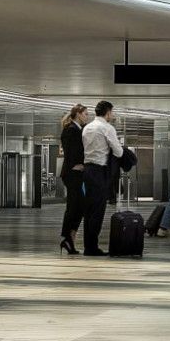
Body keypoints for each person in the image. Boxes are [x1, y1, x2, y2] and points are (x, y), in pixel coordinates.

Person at [80, 100, 127, 255]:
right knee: (98, 210)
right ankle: (92, 248)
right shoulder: (107, 128)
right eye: (111, 113)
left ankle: (88, 245)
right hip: (100, 172)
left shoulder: (86, 128)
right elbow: (119, 152)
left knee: (89, 210)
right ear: (107, 112)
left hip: (87, 170)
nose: (112, 115)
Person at [56, 102, 92, 255]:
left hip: (77, 172)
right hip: (72, 173)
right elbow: (72, 152)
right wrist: (77, 165)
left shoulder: (79, 129)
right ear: (78, 114)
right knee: (73, 206)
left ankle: (70, 237)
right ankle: (67, 237)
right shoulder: (70, 130)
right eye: (85, 114)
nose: (87, 117)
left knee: (80, 206)